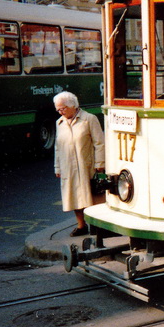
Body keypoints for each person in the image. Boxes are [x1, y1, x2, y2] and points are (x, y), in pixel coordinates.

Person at [53, 91, 104, 236]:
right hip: (68, 166)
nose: (60, 111)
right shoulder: (60, 123)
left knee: (93, 197)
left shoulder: (89, 119)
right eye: (58, 109)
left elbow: (99, 143)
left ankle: (97, 226)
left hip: (86, 165)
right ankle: (81, 226)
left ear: (72, 106)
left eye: (62, 108)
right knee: (74, 196)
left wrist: (100, 163)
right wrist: (57, 167)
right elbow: (57, 146)